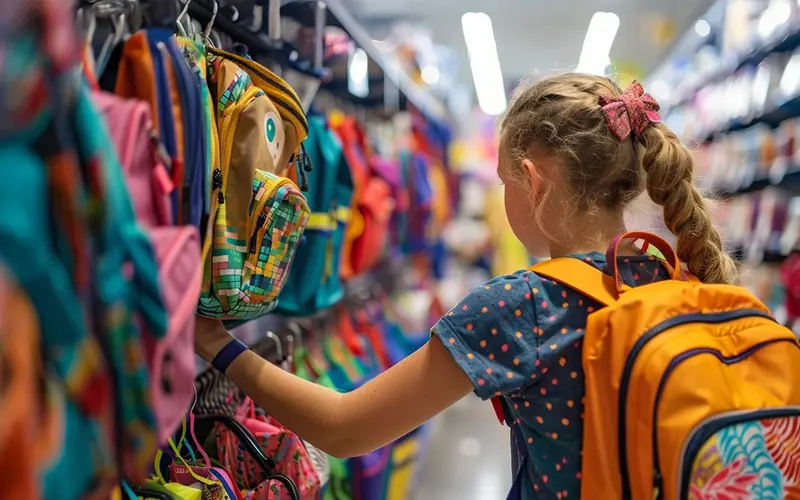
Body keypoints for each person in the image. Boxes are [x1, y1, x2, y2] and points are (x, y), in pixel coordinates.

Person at [194, 74, 737, 499]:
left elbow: (344, 429)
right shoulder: (671, 277)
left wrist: (218, 346)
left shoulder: (525, 305)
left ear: (535, 183)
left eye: (505, 182)